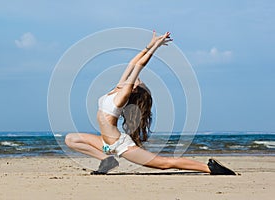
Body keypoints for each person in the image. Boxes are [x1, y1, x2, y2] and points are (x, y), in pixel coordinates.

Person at [65, 31, 236, 175]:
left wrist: (156, 46)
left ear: (133, 90)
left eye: (138, 83)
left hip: (119, 145)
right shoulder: (117, 88)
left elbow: (140, 64)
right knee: (71, 139)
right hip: (105, 143)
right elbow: (133, 62)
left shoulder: (122, 96)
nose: (137, 79)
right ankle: (107, 160)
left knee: (163, 163)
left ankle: (209, 168)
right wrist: (150, 44)